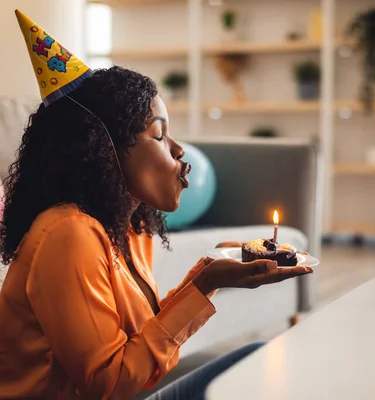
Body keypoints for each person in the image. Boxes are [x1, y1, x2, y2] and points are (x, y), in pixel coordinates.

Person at [0, 10, 313, 400]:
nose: (180, 150)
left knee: (256, 358)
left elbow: (138, 341)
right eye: (159, 134)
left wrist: (208, 277)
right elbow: (110, 384)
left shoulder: (130, 229)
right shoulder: (68, 233)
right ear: (104, 148)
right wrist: (205, 283)